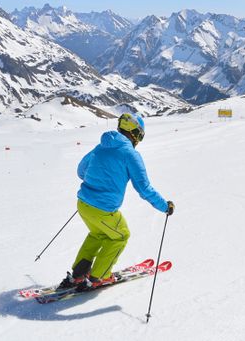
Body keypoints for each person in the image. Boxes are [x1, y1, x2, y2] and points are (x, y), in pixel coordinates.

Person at [58, 113, 175, 291]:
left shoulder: (100, 146)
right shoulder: (130, 154)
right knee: (121, 235)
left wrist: (96, 181)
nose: (139, 139)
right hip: (103, 209)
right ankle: (99, 276)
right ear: (134, 133)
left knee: (99, 235)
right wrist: (165, 206)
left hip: (83, 204)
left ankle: (78, 275)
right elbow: (144, 189)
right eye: (140, 135)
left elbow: (81, 171)